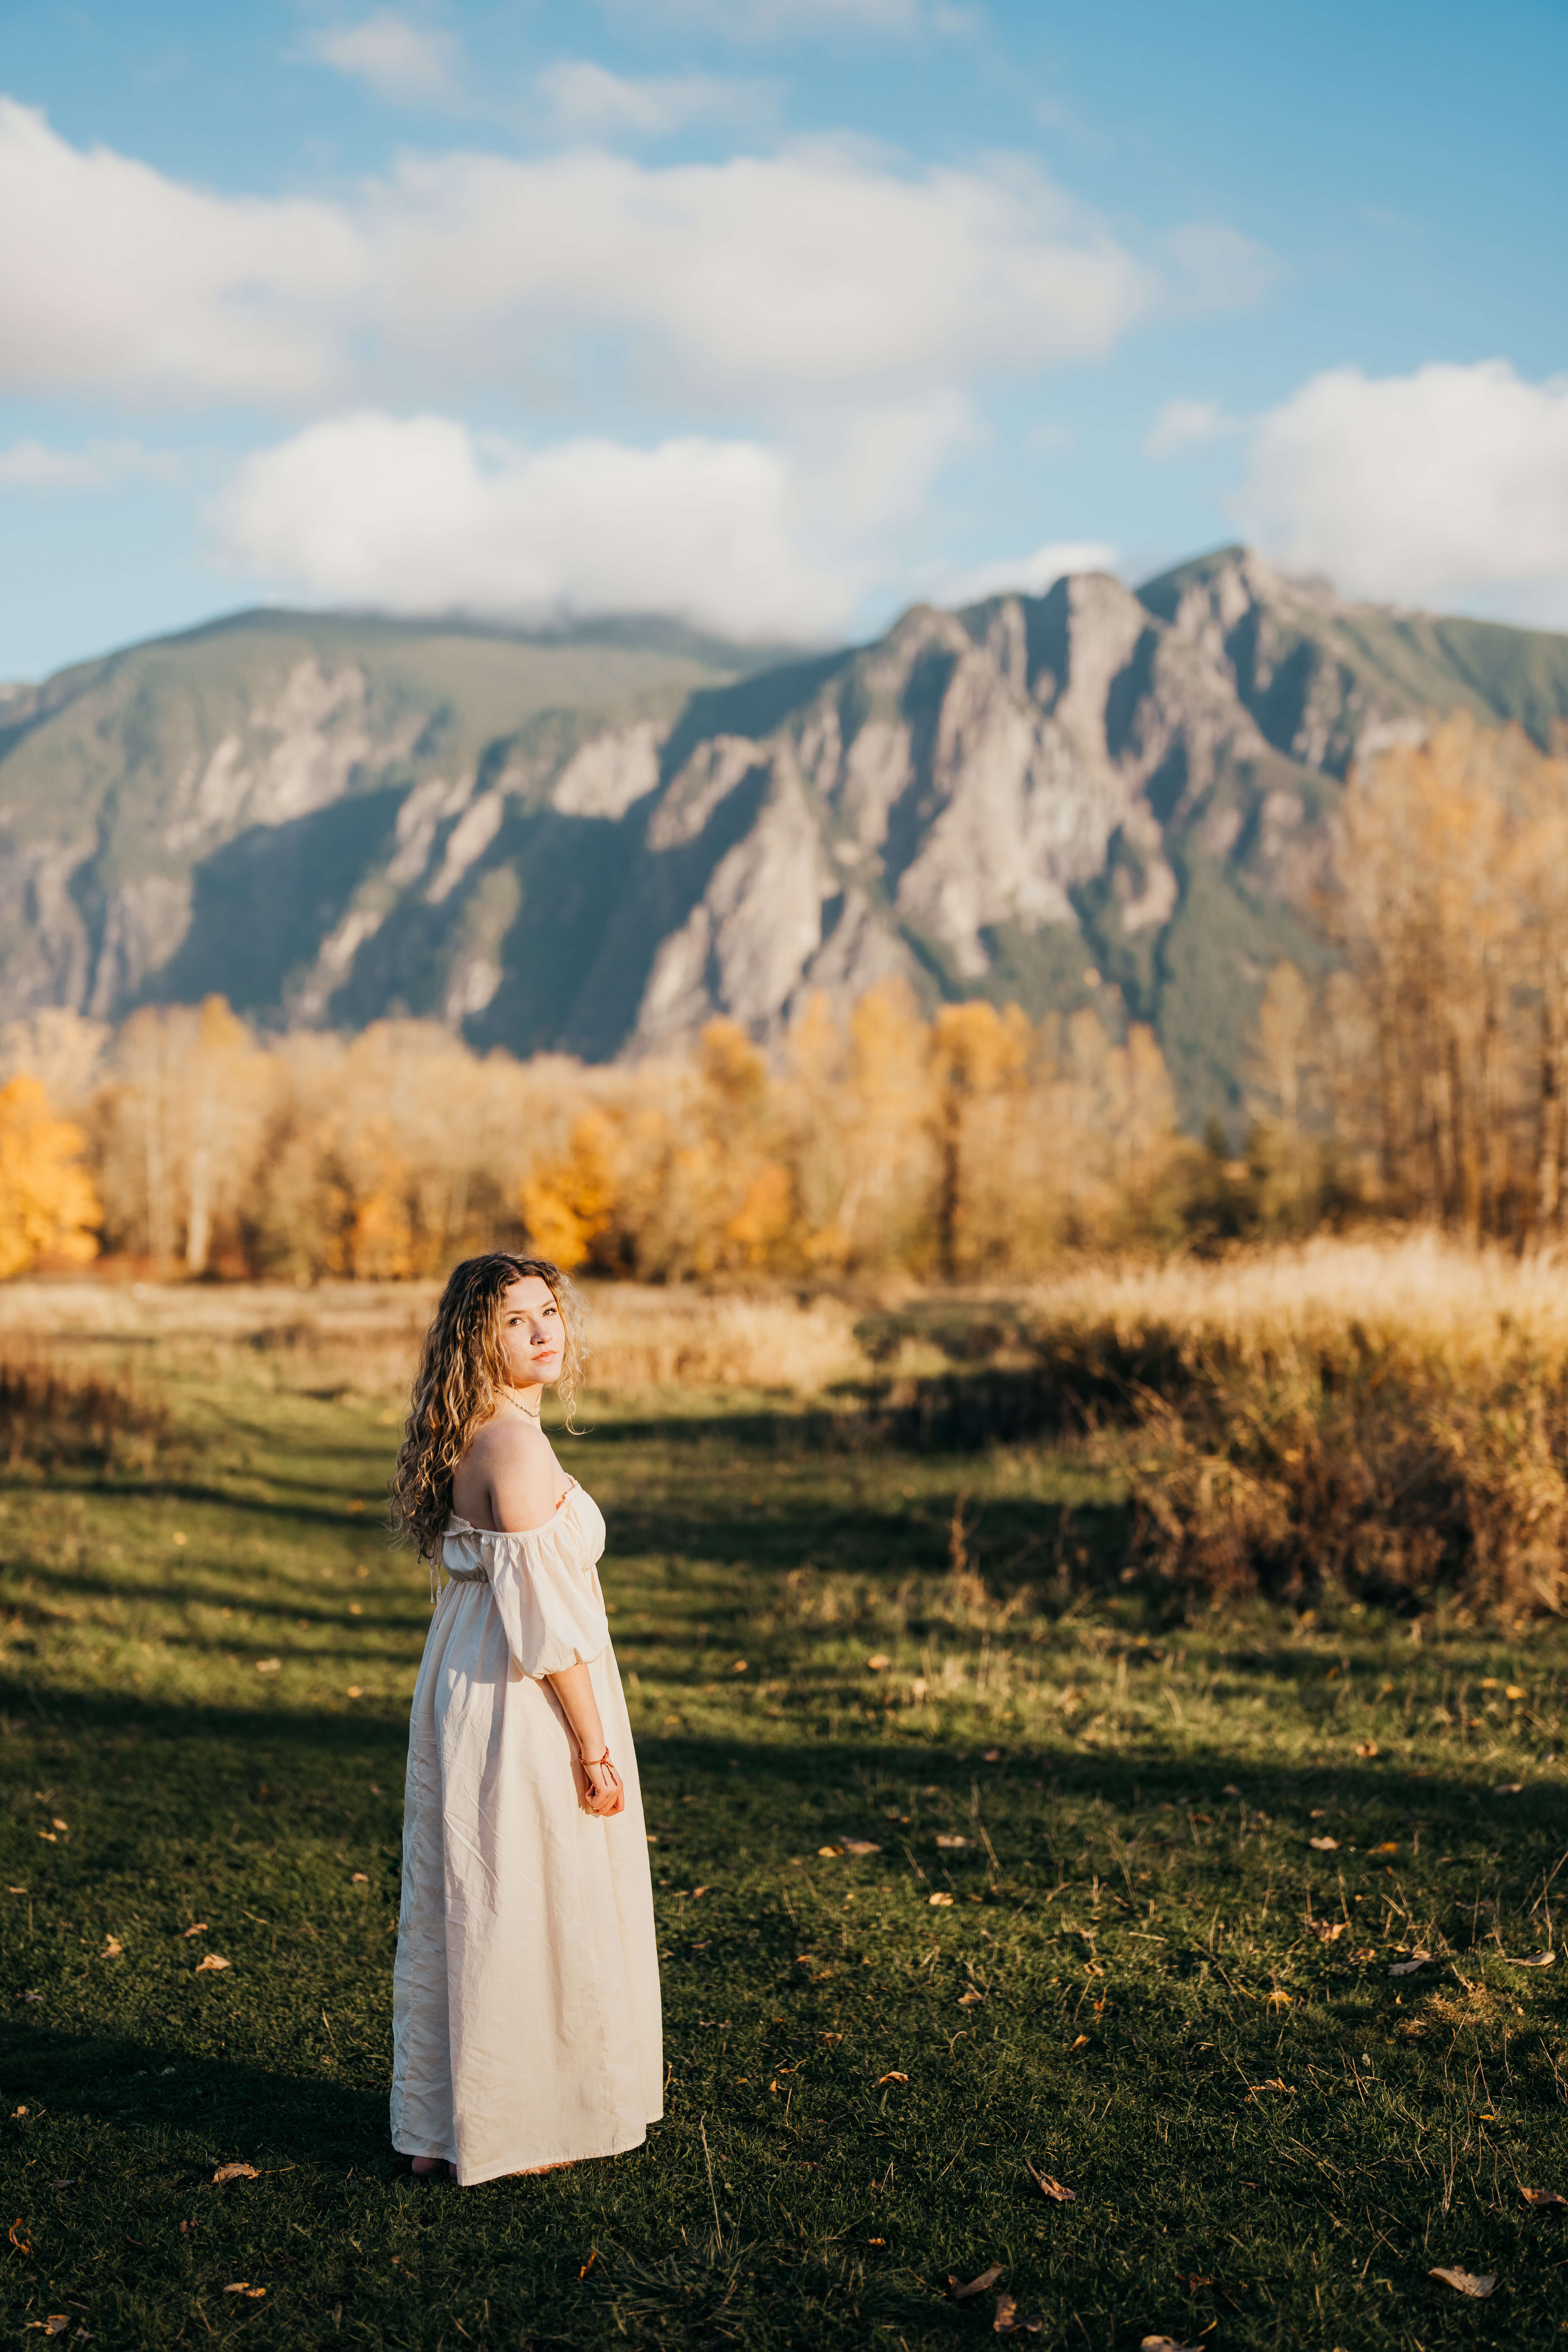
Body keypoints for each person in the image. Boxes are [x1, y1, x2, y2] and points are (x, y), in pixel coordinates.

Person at [386, 1252, 662, 2185]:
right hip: (521, 1696)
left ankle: (443, 2123)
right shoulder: (514, 1446)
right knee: (525, 1895)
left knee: (470, 1892)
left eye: (549, 1312)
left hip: (467, 1675)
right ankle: (519, 2123)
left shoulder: (470, 1432)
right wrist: (592, 1746)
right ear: (478, 1337)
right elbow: (548, 1629)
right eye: (515, 1320)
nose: (545, 1331)